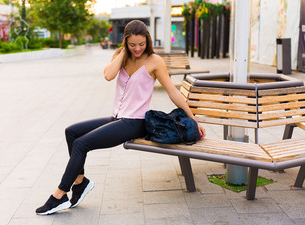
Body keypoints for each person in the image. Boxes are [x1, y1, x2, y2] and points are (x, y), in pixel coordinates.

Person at [36, 20, 206, 215]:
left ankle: (59, 195)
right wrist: (123, 52)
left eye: (141, 44)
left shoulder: (154, 61)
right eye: (132, 44)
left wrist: (193, 118)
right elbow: (108, 75)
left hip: (136, 122)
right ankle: (80, 183)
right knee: (72, 132)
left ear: (147, 40)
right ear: (125, 41)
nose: (137, 49)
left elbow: (173, 92)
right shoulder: (121, 56)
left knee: (82, 144)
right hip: (118, 117)